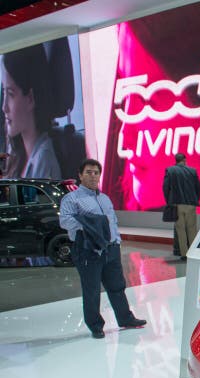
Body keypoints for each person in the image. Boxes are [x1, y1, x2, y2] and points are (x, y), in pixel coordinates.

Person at [59, 159, 147, 339]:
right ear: (80, 175)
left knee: (117, 287)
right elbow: (65, 221)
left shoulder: (104, 198)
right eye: (89, 172)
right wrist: (88, 224)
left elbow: (112, 222)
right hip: (88, 251)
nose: (93, 176)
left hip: (111, 249)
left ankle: (126, 319)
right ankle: (95, 325)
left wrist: (117, 241)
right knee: (91, 290)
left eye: (96, 173)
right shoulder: (71, 199)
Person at [1, 44, 61, 179]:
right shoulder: (16, 154)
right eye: (4, 92)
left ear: (30, 99)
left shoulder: (44, 160)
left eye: (10, 94)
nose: (4, 107)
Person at [163, 153, 200, 259]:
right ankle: (193, 253)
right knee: (192, 229)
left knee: (180, 230)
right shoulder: (193, 171)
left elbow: (165, 188)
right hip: (191, 204)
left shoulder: (170, 170)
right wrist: (195, 200)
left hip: (177, 205)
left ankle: (184, 254)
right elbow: (199, 187)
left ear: (175, 160)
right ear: (184, 160)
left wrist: (169, 202)